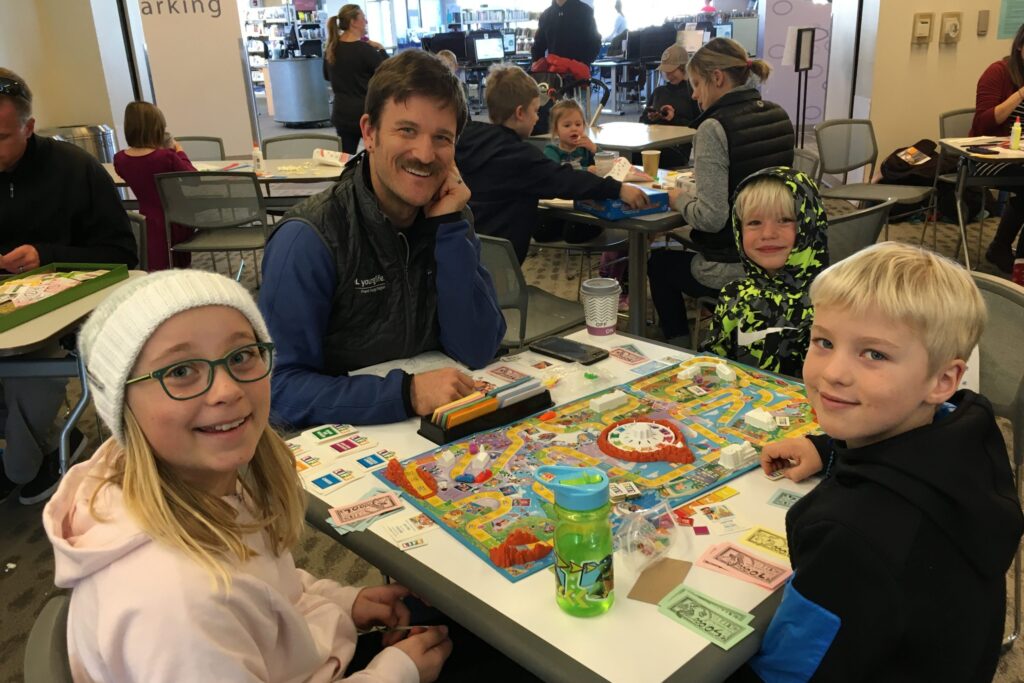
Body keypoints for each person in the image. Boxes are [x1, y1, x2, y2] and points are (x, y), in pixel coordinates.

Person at [44, 269, 453, 682]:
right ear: (122, 402)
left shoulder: (201, 480)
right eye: (181, 371)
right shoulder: (177, 606)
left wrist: (343, 602)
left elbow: (269, 587)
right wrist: (396, 673)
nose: (226, 390)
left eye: (241, 357)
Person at [745, 243, 1023, 681]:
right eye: (824, 341)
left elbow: (790, 674)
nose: (833, 372)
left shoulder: (851, 537)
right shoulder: (971, 426)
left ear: (942, 379)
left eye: (874, 354)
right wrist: (828, 447)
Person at [259, 50, 506, 430]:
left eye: (442, 137)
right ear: (369, 133)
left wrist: (451, 230)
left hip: (433, 437)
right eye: (407, 130)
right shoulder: (309, 238)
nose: (425, 154)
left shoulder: (450, 218)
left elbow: (477, 349)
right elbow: (279, 391)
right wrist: (405, 394)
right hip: (342, 446)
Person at [0, 68, 138, 505]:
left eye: (1, 136)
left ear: (29, 127)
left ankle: (21, 463)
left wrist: (47, 254)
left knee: (26, 370)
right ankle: (38, 453)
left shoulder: (76, 170)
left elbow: (121, 253)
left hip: (70, 310)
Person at [647, 38, 794, 347]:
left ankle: (678, 346)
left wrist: (676, 197)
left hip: (732, 266)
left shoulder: (713, 128)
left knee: (658, 263)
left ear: (718, 78)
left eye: (697, 84)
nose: (694, 94)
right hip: (779, 258)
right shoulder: (778, 115)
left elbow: (711, 218)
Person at [456, 63, 649, 262]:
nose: (537, 118)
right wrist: (618, 189)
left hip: (467, 255)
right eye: (535, 110)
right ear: (520, 113)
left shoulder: (465, 140)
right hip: (502, 270)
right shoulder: (521, 157)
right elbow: (565, 179)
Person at [702, 167, 828, 378]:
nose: (768, 234)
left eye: (785, 220)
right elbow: (711, 365)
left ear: (810, 224)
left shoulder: (831, 304)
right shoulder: (735, 295)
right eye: (754, 223)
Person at [113, 101, 197, 271]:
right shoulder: (166, 157)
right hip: (178, 220)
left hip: (147, 220)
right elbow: (193, 179)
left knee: (158, 263)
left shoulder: (120, 159)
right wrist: (180, 152)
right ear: (157, 128)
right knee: (177, 264)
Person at [972, 22, 1024, 273]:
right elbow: (983, 123)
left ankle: (1003, 249)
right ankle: (1016, 261)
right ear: (1020, 47)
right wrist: (1021, 94)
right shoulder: (998, 72)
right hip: (987, 160)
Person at [324, 4, 388, 154]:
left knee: (346, 159)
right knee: (375, 157)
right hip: (365, 113)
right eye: (363, 18)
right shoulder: (366, 50)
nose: (366, 22)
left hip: (342, 113)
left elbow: (327, 76)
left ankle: (349, 179)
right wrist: (381, 49)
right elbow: (389, 74)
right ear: (353, 22)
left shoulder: (331, 48)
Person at [638, 44, 701, 168]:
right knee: (632, 156)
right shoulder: (658, 92)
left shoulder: (693, 93)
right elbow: (642, 121)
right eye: (666, 71)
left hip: (676, 148)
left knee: (652, 158)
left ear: (684, 68)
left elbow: (698, 126)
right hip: (653, 143)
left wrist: (673, 119)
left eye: (672, 71)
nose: (668, 75)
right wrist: (650, 117)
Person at [531, 0, 601, 70]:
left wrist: (583, 64)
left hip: (578, 74)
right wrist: (537, 63)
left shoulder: (584, 11)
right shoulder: (546, 15)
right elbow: (538, 45)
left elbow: (594, 42)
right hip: (554, 73)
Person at [543, 99, 597, 169]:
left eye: (578, 124)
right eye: (567, 125)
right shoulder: (551, 151)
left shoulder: (585, 149)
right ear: (556, 130)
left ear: (583, 126)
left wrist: (594, 148)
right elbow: (556, 172)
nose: (574, 129)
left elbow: (607, 163)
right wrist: (586, 170)